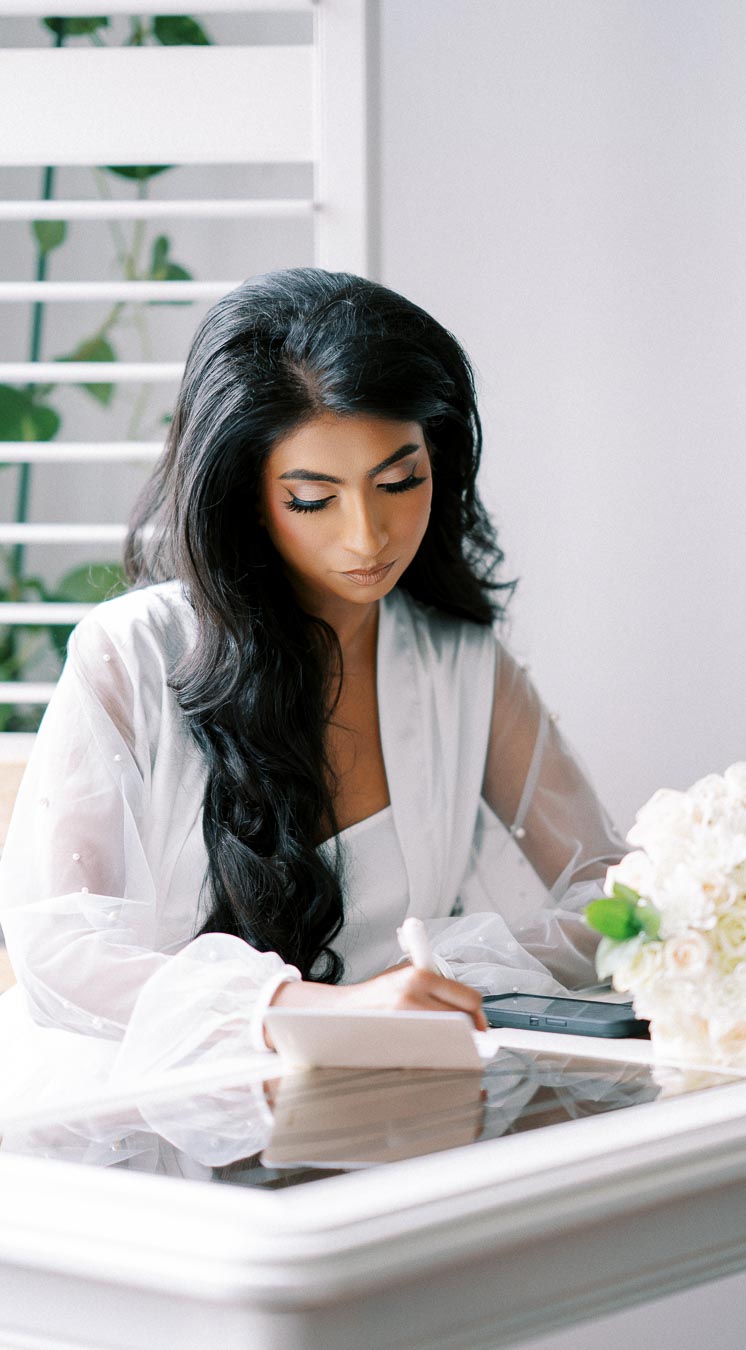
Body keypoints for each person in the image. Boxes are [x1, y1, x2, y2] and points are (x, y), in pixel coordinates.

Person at [0, 269, 623, 1103]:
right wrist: (308, 1011)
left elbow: (614, 893)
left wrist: (438, 973)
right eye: (311, 499)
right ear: (247, 497)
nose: (368, 536)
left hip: (372, 1105)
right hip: (139, 1103)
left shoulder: (459, 664)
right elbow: (59, 951)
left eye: (400, 483)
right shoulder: (131, 654)